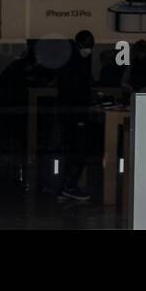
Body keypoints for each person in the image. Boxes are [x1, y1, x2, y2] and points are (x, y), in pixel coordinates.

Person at [56, 30, 96, 201]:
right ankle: (70, 185)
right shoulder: (78, 61)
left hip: (71, 110)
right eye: (87, 46)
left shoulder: (72, 58)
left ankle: (66, 185)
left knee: (73, 148)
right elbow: (78, 87)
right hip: (75, 110)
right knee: (79, 149)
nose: (89, 50)